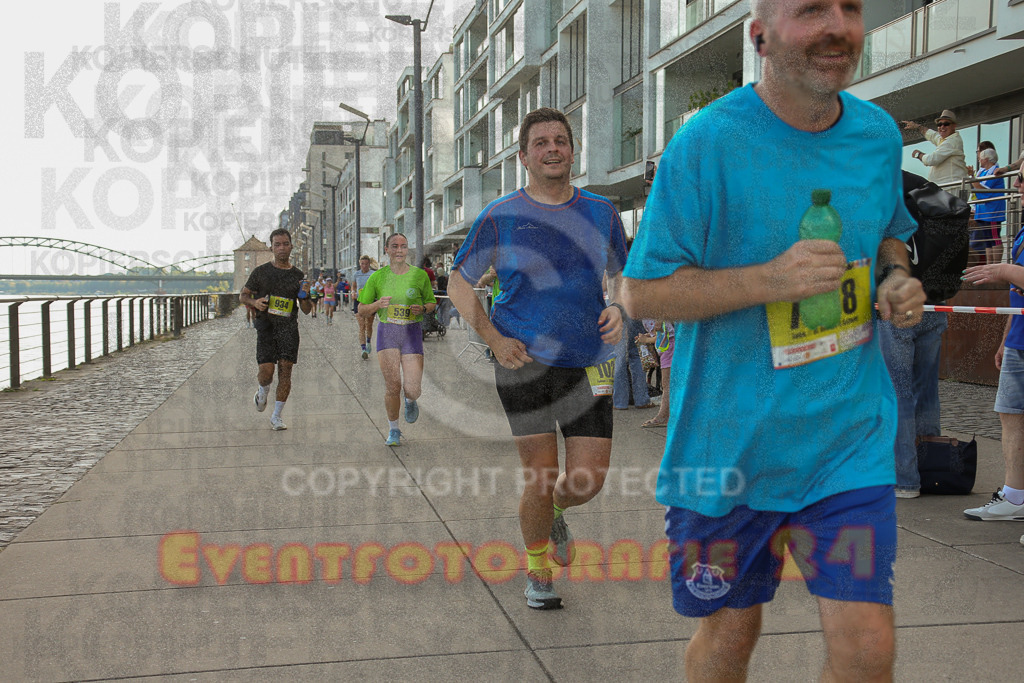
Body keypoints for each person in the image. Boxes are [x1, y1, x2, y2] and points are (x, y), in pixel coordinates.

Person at [622, 1, 926, 679]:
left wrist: (897, 277)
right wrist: (769, 279)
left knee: (867, 639)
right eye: (811, 9)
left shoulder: (877, 135)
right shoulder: (706, 143)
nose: (838, 25)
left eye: (849, 8)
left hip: (847, 443)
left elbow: (888, 232)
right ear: (760, 36)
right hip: (730, 451)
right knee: (730, 637)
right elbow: (642, 292)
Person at [447, 107, 627, 611]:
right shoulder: (502, 215)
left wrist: (619, 306)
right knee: (541, 476)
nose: (553, 148)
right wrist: (492, 338)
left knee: (586, 480)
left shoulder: (602, 212)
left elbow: (622, 274)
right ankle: (538, 569)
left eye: (561, 140)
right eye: (541, 142)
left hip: (589, 361)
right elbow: (460, 284)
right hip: (522, 358)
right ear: (524, 156)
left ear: (573, 151)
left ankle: (556, 513)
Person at [961, 239, 1024, 524]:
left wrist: (1004, 270)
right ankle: (1014, 498)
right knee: (1009, 415)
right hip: (1018, 340)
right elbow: (1017, 296)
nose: (1019, 190)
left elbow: (1014, 279)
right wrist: (1005, 339)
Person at [358, 234, 436, 446]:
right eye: (395, 246)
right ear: (387, 250)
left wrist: (424, 308)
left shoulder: (419, 276)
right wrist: (377, 305)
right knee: (393, 385)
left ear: (407, 250)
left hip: (411, 332)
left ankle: (411, 400)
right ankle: (393, 431)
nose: (399, 250)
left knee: (413, 388)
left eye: (403, 246)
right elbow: (362, 309)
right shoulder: (377, 277)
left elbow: (431, 303)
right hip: (388, 332)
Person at [239, 228, 312, 431]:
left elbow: (306, 310)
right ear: (271, 247)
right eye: (277, 244)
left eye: (285, 244)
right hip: (267, 328)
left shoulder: (298, 275)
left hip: (288, 329)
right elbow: (242, 296)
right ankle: (262, 391)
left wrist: (305, 295)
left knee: (286, 371)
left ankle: (276, 416)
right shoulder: (260, 272)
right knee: (266, 373)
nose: (281, 248)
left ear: (291, 246)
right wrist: (255, 302)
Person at [901, 110, 968, 186]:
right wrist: (918, 127)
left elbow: (931, 160)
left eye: (946, 124)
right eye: (939, 124)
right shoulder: (946, 139)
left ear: (954, 126)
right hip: (948, 186)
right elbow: (933, 135)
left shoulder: (951, 142)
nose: (942, 126)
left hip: (952, 186)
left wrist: (919, 154)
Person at [967, 147, 1008, 266]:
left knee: (994, 237)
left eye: (981, 158)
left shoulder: (995, 171)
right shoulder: (982, 171)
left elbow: (981, 188)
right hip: (983, 211)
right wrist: (972, 177)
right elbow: (976, 187)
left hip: (992, 211)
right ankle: (990, 265)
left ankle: (996, 264)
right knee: (987, 240)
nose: (979, 160)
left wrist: (972, 177)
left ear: (987, 159)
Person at [636, 320, 672, 429]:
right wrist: (649, 336)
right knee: (667, 383)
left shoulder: (655, 314)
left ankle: (664, 416)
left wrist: (646, 339)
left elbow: (665, 335)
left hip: (668, 346)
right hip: (667, 346)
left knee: (666, 384)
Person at [353, 255, 377, 359]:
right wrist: (353, 292)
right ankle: (363, 349)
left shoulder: (373, 274)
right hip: (358, 301)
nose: (364, 266)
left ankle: (368, 342)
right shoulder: (356, 274)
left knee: (369, 324)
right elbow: (353, 286)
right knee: (361, 325)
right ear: (360, 264)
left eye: (366, 264)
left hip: (370, 302)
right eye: (362, 264)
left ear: (369, 264)